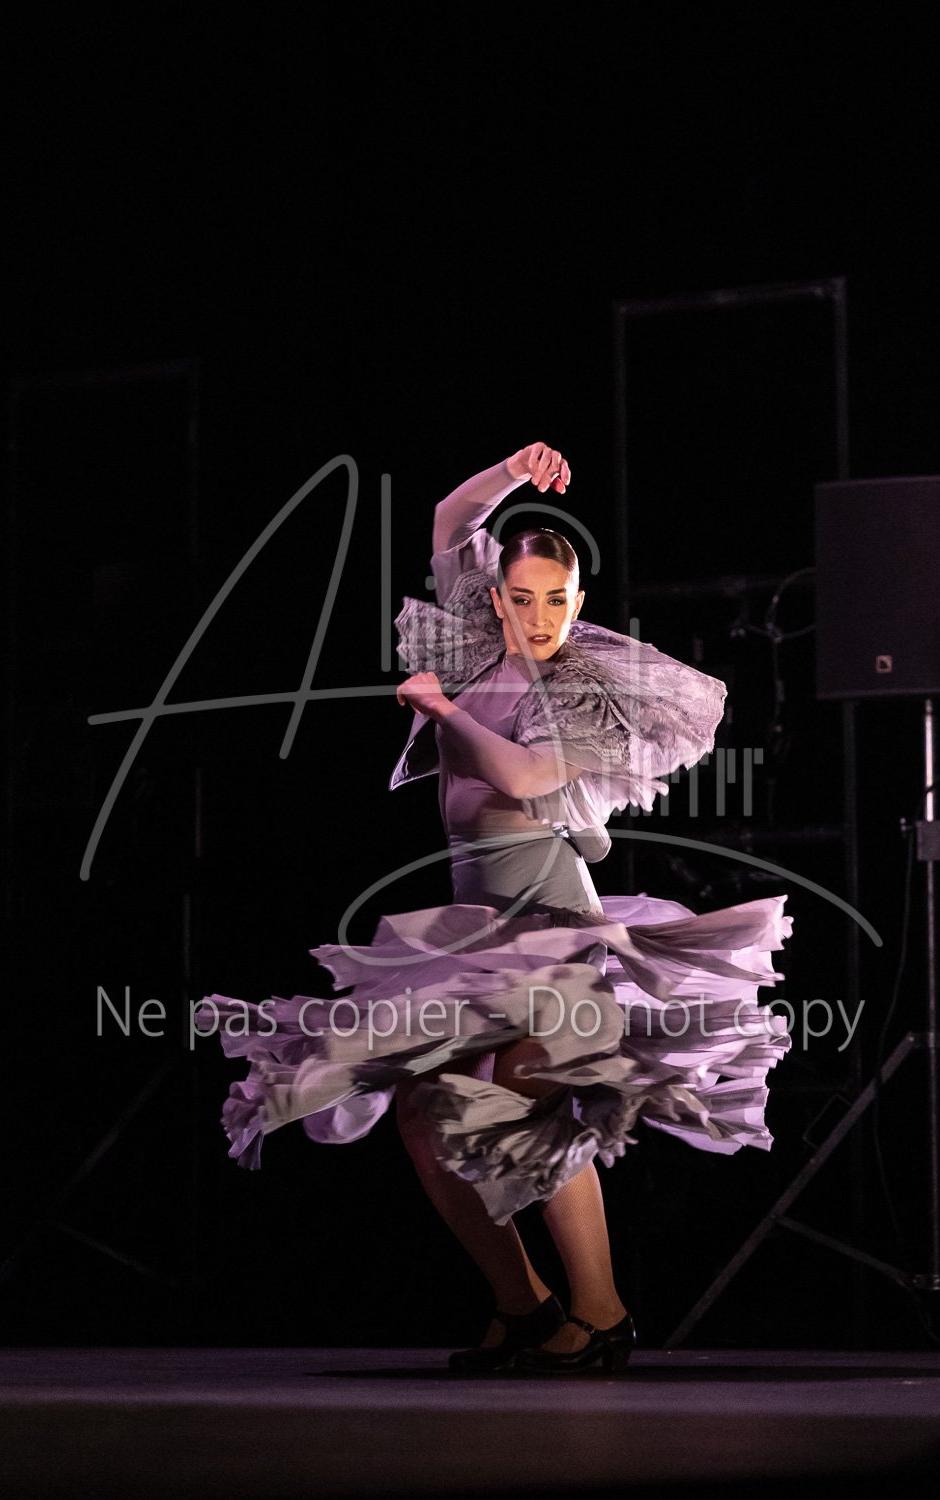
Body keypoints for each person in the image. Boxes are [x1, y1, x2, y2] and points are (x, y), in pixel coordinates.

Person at [206, 442, 792, 1374]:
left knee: (517, 1097)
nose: (541, 618)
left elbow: (523, 776)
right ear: (496, 600)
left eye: (558, 600)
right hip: (479, 931)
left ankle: (601, 1311)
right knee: (422, 1111)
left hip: (553, 927)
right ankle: (522, 1305)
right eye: (522, 598)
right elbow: (452, 520)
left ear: (580, 601)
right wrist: (517, 467)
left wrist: (440, 712)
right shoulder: (479, 649)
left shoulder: (582, 688)